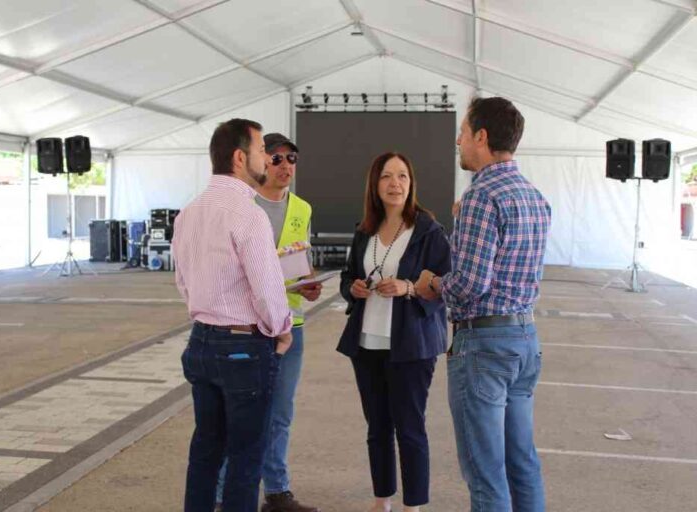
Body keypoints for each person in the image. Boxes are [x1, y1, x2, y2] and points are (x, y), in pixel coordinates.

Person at [415, 97, 551, 512]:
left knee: (486, 474)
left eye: (462, 132)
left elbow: (471, 283)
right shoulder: (533, 196)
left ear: (482, 136)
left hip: (484, 346)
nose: (458, 141)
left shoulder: (481, 196)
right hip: (524, 339)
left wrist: (432, 284)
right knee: (521, 463)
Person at [172, 118, 293, 512]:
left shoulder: (188, 212)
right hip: (243, 345)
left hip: (201, 340)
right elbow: (268, 288)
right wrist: (282, 329)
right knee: (245, 457)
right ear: (240, 158)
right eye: (263, 151)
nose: (269, 158)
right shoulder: (248, 213)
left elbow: (183, 282)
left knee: (206, 450)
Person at [338, 152, 451, 512]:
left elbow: (446, 284)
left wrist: (409, 288)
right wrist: (352, 289)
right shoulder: (364, 230)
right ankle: (382, 499)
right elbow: (346, 276)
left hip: (411, 345)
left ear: (411, 183)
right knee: (377, 429)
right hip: (367, 342)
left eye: (402, 176)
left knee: (410, 428)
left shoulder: (429, 230)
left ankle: (413, 505)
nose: (395, 183)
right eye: (387, 176)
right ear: (375, 184)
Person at [215, 133, 321, 512]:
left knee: (280, 413)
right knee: (239, 412)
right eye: (276, 158)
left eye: (291, 158)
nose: (285, 165)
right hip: (247, 325)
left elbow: (299, 259)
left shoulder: (303, 208)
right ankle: (223, 493)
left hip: (291, 323)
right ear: (261, 163)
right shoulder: (243, 207)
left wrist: (308, 284)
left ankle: (277, 491)